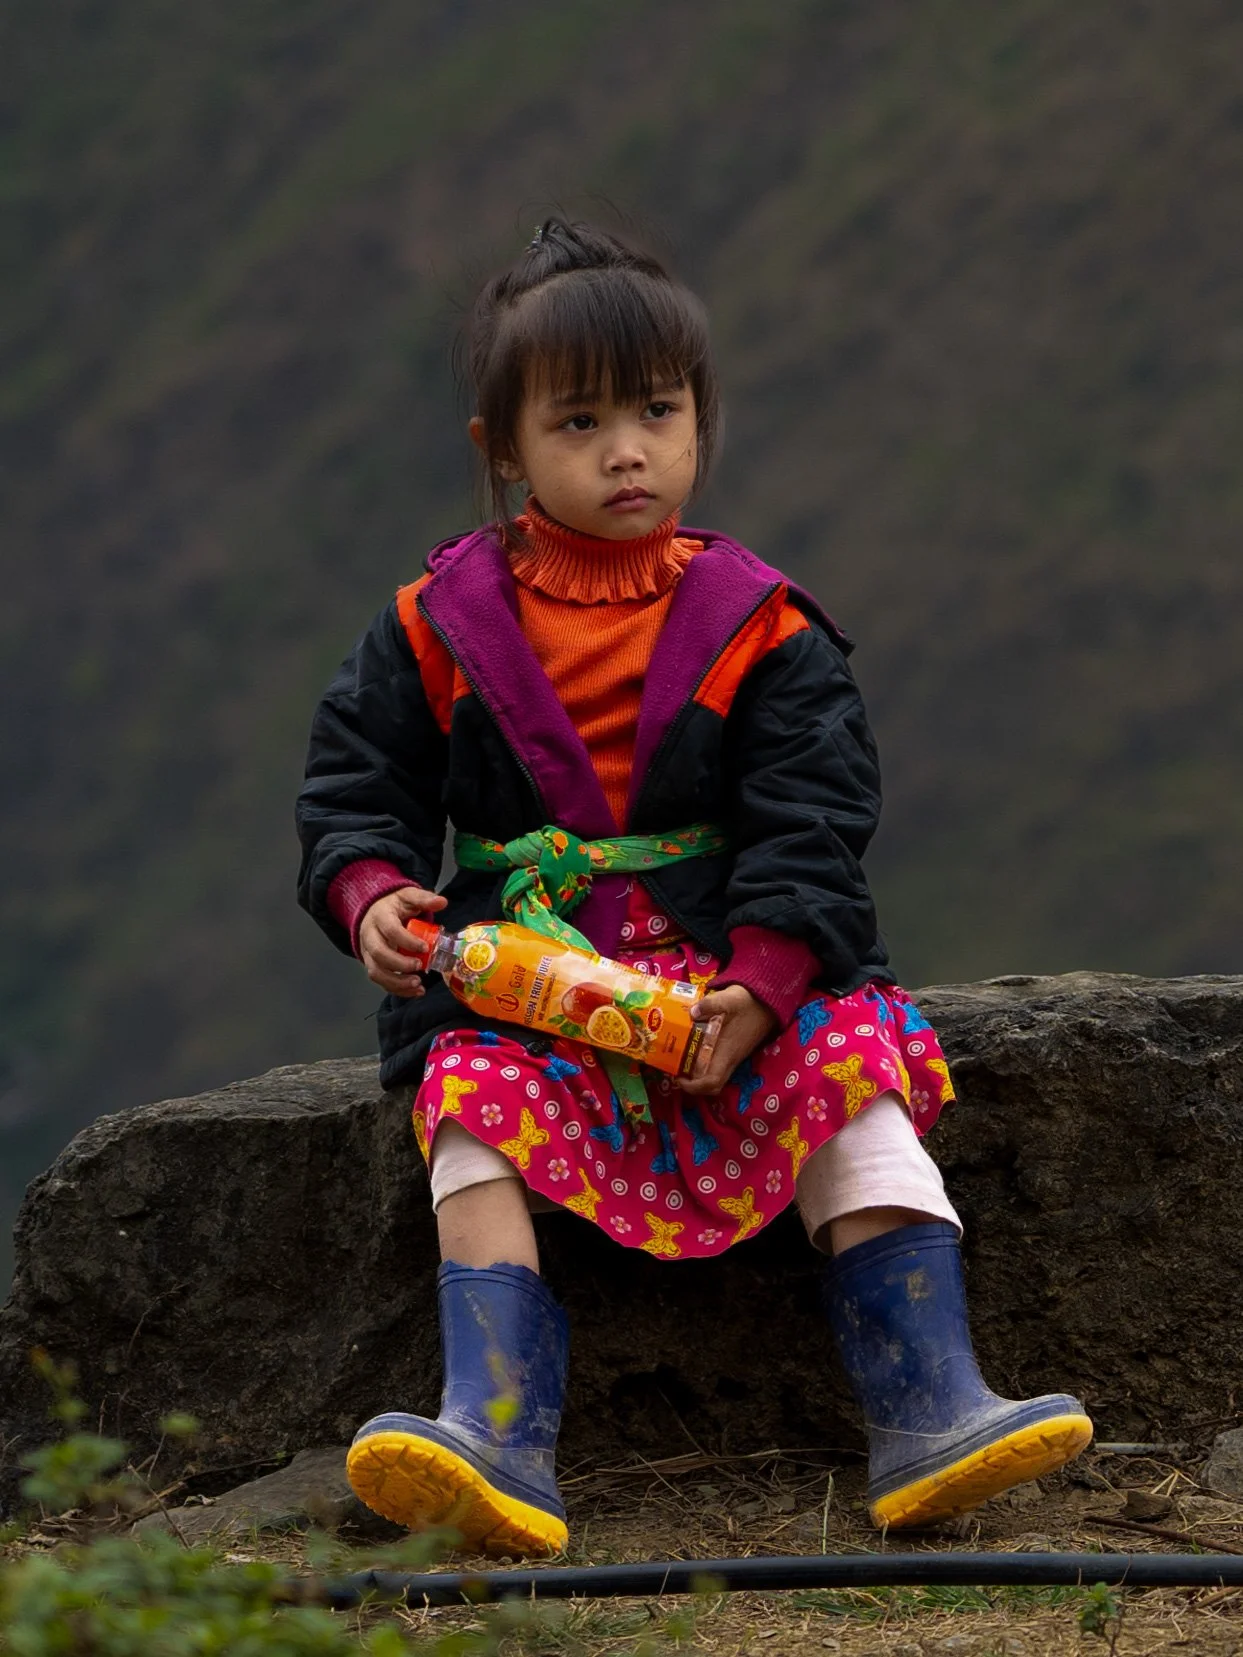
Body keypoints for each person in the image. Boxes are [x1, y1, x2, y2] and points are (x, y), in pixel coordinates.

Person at [296, 218, 1092, 1558]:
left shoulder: (760, 623)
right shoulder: (434, 624)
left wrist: (770, 977)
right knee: (470, 1112)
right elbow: (355, 785)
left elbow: (813, 818)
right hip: (524, 988)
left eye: (657, 412)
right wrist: (370, 890)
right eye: (582, 421)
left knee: (854, 1067)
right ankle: (491, 1435)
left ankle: (930, 1409)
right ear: (503, 449)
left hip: (731, 980)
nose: (627, 450)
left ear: (699, 422)